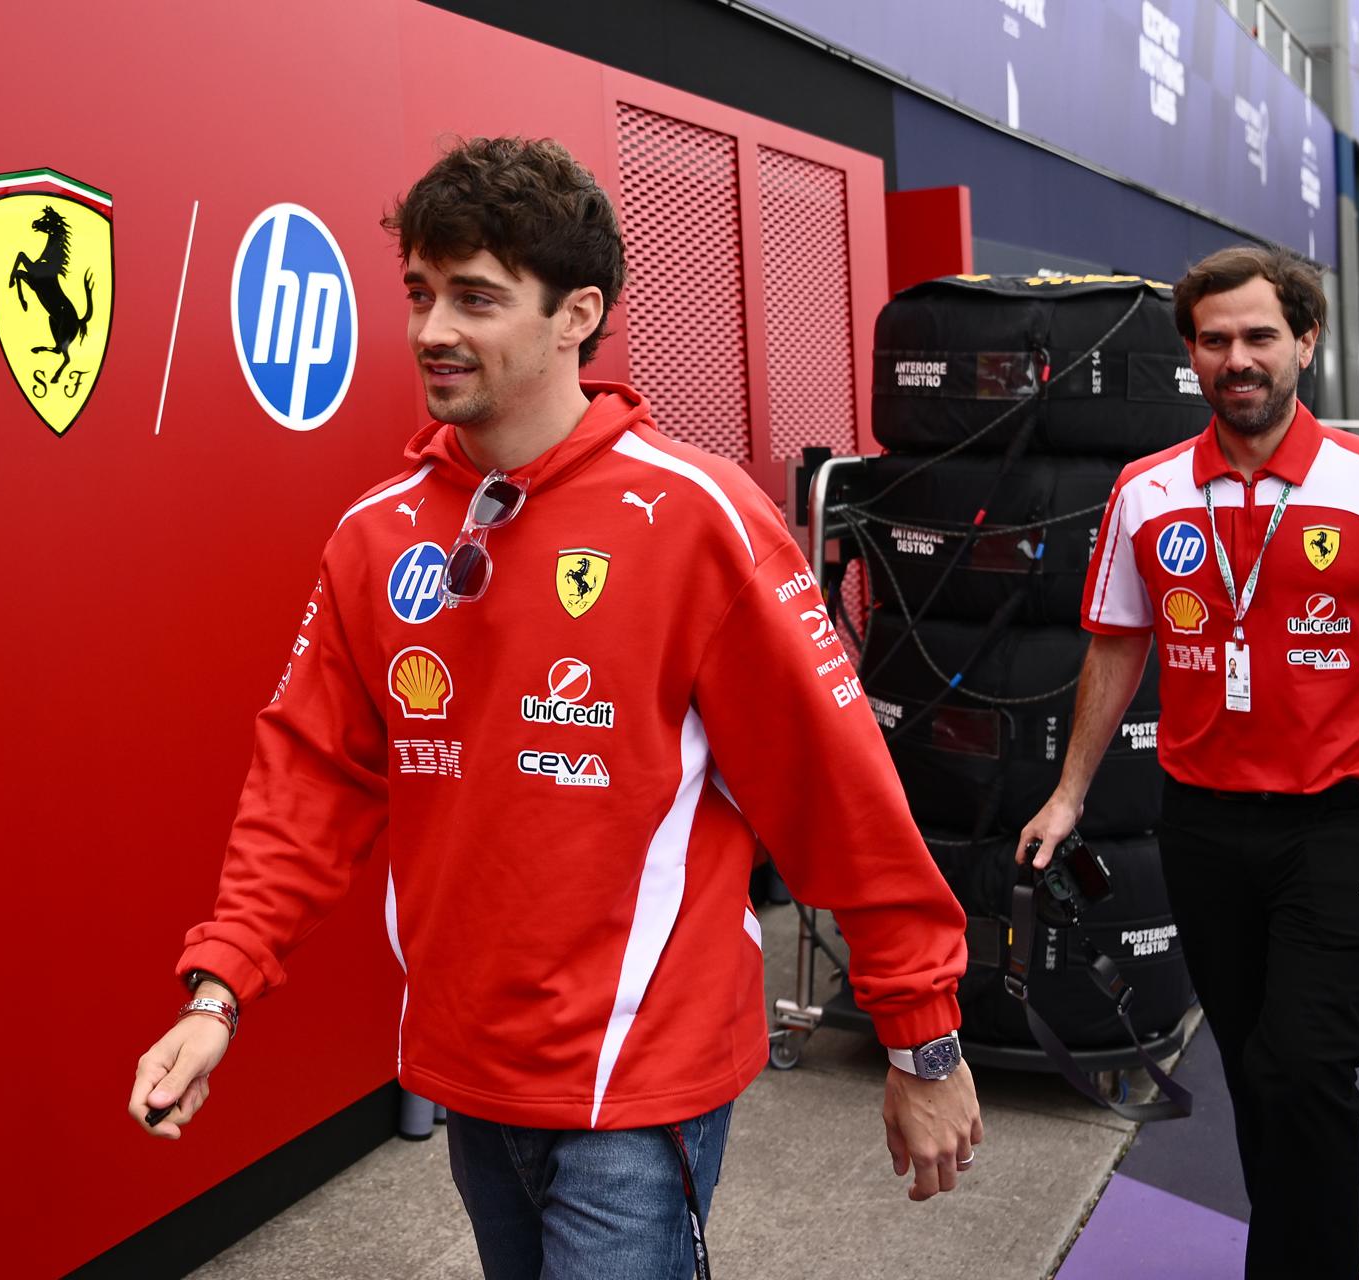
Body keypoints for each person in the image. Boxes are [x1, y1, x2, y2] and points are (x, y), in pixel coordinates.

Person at [125, 136, 982, 1277]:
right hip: (470, 1065)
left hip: (640, 1076)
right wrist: (218, 990)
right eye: (421, 294)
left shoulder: (695, 514)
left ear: (579, 313)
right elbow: (309, 781)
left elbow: (834, 789)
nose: (433, 329)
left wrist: (921, 1032)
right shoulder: (375, 533)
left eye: (476, 298)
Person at [1017, 245, 1359, 1279]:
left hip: (1348, 819)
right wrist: (1068, 793)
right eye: (1216, 338)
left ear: (1305, 342)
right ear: (1191, 352)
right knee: (1255, 1066)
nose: (1238, 357)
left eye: (1260, 336)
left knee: (1306, 1061)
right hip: (1203, 824)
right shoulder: (1145, 492)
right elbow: (1115, 642)